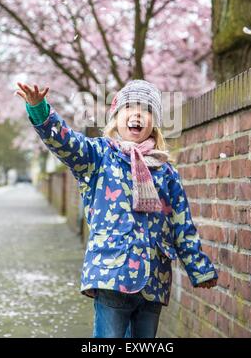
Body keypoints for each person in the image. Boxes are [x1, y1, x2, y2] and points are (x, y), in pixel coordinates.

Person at [15, 79, 218, 338]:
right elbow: (65, 143)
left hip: (154, 280)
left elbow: (182, 224)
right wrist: (40, 109)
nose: (137, 114)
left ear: (153, 121)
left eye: (145, 109)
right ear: (116, 116)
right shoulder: (98, 156)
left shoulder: (165, 171)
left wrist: (199, 268)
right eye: (129, 107)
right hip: (112, 273)